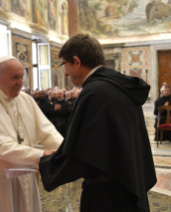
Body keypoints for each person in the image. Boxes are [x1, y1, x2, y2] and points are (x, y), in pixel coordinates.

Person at [39, 34, 157, 212]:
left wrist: (48, 164)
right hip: (128, 182)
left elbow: (82, 155)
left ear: (76, 62)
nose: (65, 73)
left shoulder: (93, 93)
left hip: (107, 197)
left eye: (65, 65)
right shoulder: (119, 86)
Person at [0, 55, 62, 212]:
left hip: (25, 174)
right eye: (15, 77)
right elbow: (1, 147)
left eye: (22, 77)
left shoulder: (26, 100)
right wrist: (41, 154)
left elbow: (47, 131)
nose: (20, 82)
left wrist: (65, 149)